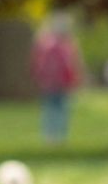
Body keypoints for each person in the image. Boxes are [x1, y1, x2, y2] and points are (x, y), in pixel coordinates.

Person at [31, 16, 83, 145]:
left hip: (48, 83)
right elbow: (70, 65)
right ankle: (59, 137)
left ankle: (50, 136)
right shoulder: (66, 46)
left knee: (50, 110)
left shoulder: (45, 45)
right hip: (61, 83)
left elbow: (38, 65)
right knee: (60, 110)